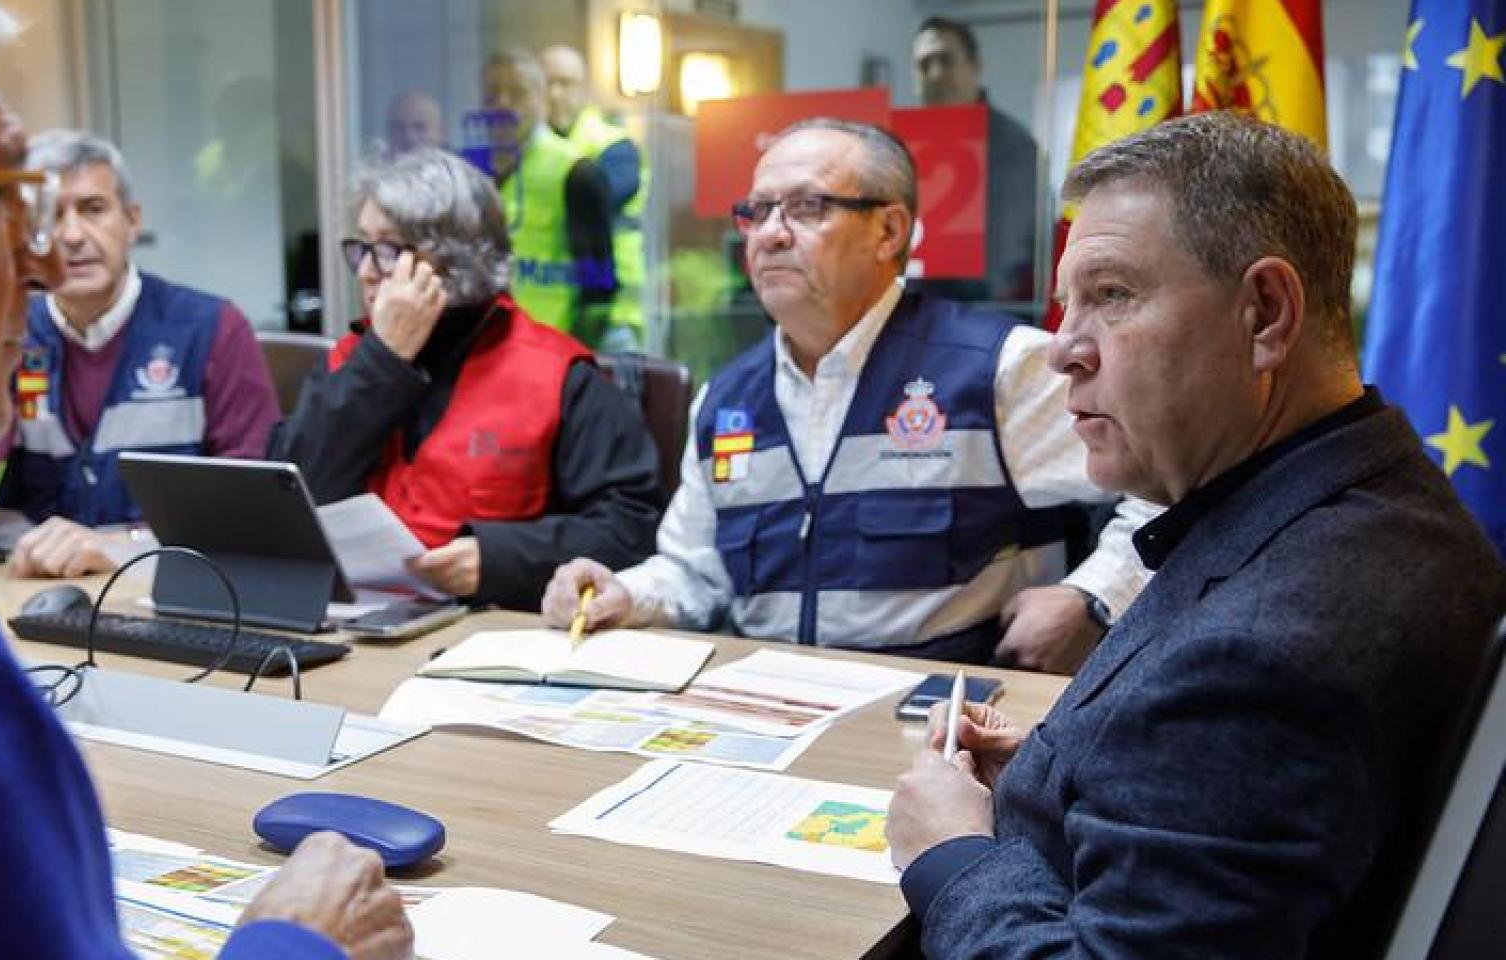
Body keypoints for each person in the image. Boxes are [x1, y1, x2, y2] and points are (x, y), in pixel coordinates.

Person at [0, 2, 412, 958]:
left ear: (133, 220)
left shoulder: (204, 326)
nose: (44, 257)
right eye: (4, 200)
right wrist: (298, 941)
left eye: (76, 210)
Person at [885, 112, 1506, 956]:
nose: (1062, 350)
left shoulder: (1264, 653)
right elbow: (1236, 791)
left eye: (1111, 295)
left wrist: (951, 856)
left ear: (1266, 314)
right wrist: (1072, 771)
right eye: (1068, 304)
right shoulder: (1372, 499)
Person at [543, 119, 1152, 669]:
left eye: (806, 208)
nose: (770, 235)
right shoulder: (727, 400)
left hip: (938, 716)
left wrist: (1092, 596)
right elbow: (694, 571)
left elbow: (1167, 491)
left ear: (889, 231)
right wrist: (624, 593)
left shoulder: (996, 367)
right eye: (757, 211)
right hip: (768, 704)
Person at [269, 147, 661, 611]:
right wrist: (383, 362)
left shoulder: (558, 375)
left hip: (490, 627)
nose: (368, 272)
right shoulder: (353, 359)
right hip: (350, 622)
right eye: (362, 249)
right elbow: (285, 500)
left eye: (389, 250)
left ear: (457, 260)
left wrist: (497, 560)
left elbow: (630, 527)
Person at [0, 128, 281, 578]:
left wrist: (125, 547)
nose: (72, 235)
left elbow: (255, 499)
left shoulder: (212, 328)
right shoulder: (5, 331)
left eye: (93, 209)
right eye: (50, 216)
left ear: (132, 220)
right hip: (27, 579)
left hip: (163, 579)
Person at [480, 48, 635, 351]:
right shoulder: (476, 172)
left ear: (540, 100)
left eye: (517, 93)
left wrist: (576, 351)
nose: (502, 103)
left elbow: (598, 282)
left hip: (557, 343)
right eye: (492, 94)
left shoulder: (574, 171)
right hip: (498, 341)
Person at [912, 16, 1038, 304]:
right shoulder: (902, 145)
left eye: (945, 60)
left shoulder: (1011, 145)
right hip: (916, 306)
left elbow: (1005, 260)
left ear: (974, 66)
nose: (935, 74)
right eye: (924, 64)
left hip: (985, 309)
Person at [540, 43, 647, 336]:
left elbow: (593, 203)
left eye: (566, 83)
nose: (555, 94)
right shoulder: (530, 153)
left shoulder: (615, 147)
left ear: (585, 89)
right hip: (549, 309)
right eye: (547, 83)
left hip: (609, 314)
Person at [386, 89, 444, 156]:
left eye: (419, 127)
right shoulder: (377, 161)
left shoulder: (453, 162)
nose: (409, 137)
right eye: (399, 127)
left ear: (441, 131)